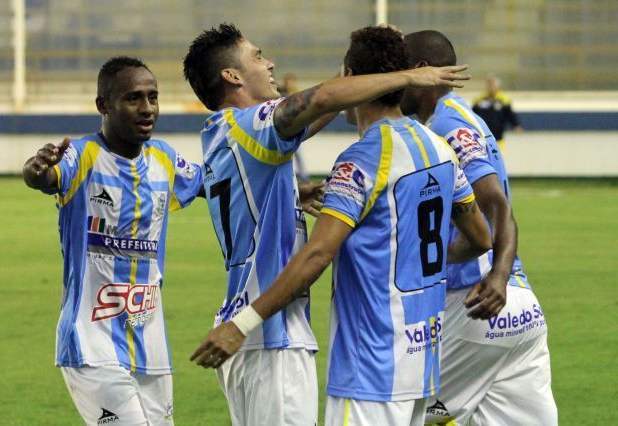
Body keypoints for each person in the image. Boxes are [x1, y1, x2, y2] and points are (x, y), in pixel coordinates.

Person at [190, 26, 492, 426]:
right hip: (270, 333)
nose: (270, 63)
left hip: (264, 328)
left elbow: (318, 107)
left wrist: (288, 196)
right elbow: (321, 100)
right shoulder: (254, 125)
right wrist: (407, 76)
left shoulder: (225, 133)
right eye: (259, 56)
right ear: (232, 76)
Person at [22, 56, 203, 425]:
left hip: (150, 346)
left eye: (153, 97)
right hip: (92, 343)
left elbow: (218, 186)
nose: (147, 108)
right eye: (133, 98)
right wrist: (35, 170)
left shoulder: (164, 160)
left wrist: (293, 192)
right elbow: (45, 176)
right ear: (103, 105)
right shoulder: (84, 155)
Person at [400, 30, 558, 425]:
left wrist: (498, 276)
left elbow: (494, 203)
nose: (393, 81)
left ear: (422, 72)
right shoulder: (461, 118)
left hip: (475, 301)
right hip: (522, 311)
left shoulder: (449, 125)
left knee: (392, 412)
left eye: (397, 70)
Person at [472, 75, 522, 154]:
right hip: (482, 137)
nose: (491, 87)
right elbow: (472, 115)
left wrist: (516, 125)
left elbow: (510, 114)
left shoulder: (503, 99)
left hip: (498, 137)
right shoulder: (479, 99)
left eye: (492, 85)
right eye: (489, 85)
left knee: (497, 156)